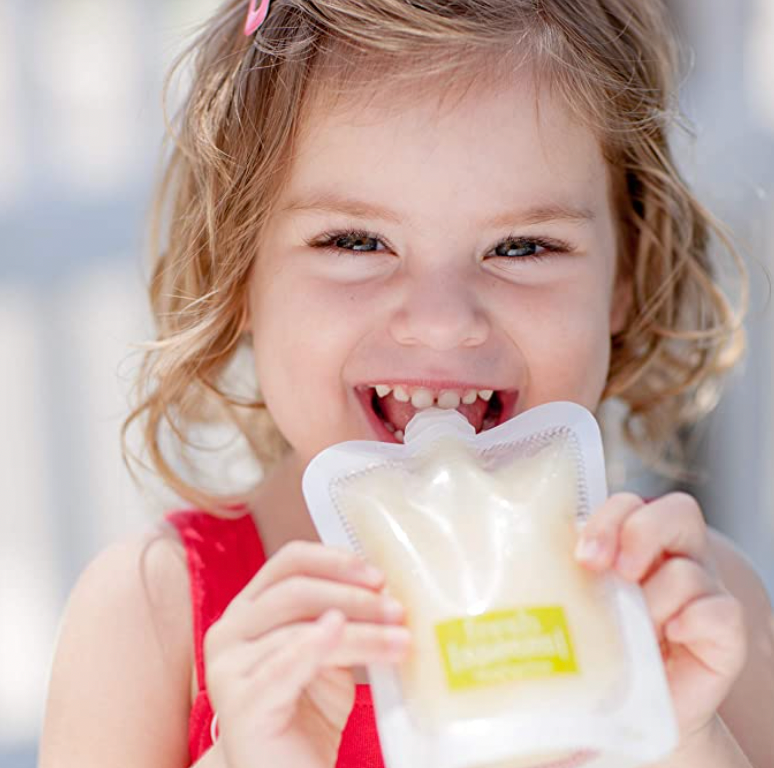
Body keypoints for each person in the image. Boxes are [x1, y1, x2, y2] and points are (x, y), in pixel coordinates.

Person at [38, 1, 774, 767]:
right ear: (240, 271)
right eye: (355, 241)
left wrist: (685, 737)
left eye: (523, 247)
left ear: (626, 273)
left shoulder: (700, 615)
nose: (442, 320)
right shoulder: (152, 618)